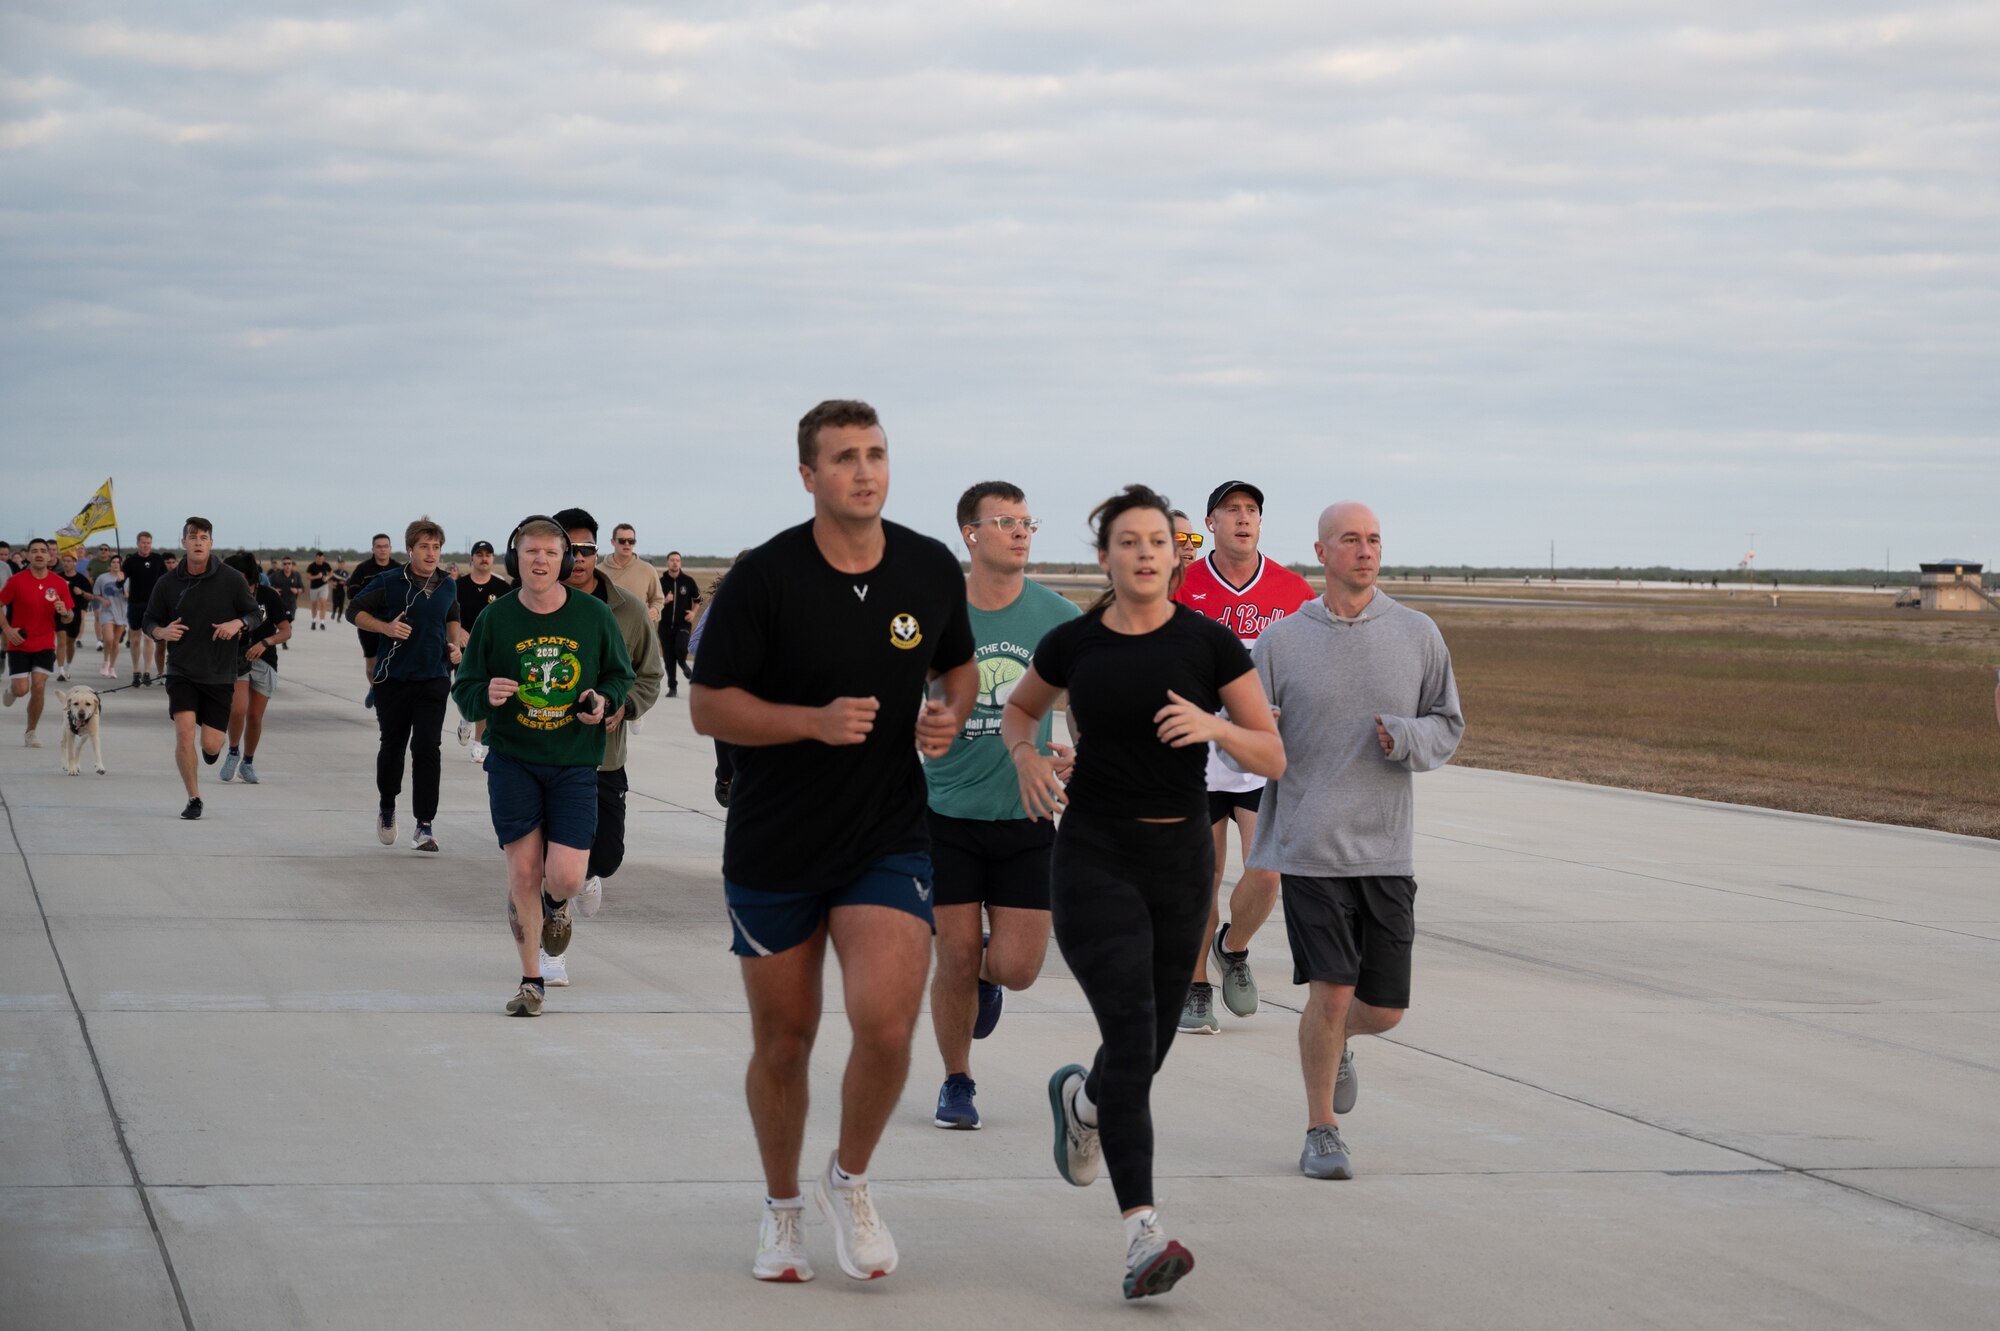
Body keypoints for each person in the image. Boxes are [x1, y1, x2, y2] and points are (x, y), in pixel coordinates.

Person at [690, 399, 975, 1285]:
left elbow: (955, 663)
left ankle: (847, 1178)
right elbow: (708, 705)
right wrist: (810, 721)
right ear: (809, 475)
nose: (865, 470)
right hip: (775, 844)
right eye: (845, 457)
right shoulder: (765, 578)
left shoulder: (928, 566)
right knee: (785, 1037)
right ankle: (781, 1208)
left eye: (877, 454)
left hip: (886, 835)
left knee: (886, 1026)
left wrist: (949, 712)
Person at [1002, 484, 1284, 1300]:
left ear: (1176, 551)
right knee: (1131, 1037)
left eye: (1158, 540)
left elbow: (1271, 756)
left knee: (1148, 1047)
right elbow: (1022, 715)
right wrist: (1025, 756)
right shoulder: (1072, 643)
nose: (1146, 553)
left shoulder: (1210, 645)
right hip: (1093, 855)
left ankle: (1084, 1101)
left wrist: (1218, 728)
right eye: (1129, 542)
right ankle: (1142, 1234)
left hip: (1181, 860)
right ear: (1106, 556)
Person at [1247, 501, 1463, 1180]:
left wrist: (1406, 735)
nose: (1365, 551)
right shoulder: (1280, 640)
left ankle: (1334, 1040)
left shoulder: (1418, 634)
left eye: (1373, 540)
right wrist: (1262, 731)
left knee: (1384, 1008)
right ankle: (1321, 1129)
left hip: (1385, 849)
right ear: (1321, 551)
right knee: (1333, 992)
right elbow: (1242, 736)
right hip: (1308, 845)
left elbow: (1447, 724)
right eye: (1351, 539)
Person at [925, 480, 1079, 1131]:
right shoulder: (934, 615)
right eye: (1005, 521)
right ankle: (957, 1081)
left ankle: (987, 980)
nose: (1021, 532)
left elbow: (1093, 697)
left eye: (1026, 521)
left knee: (1015, 967)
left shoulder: (1058, 616)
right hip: (945, 813)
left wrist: (1077, 755)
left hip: (1025, 813)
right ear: (970, 533)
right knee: (954, 957)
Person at [452, 516, 635, 1016]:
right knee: (523, 873)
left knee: (569, 876)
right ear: (517, 557)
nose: (540, 561)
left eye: (551, 553)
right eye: (531, 552)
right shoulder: (496, 618)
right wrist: (484, 695)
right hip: (513, 761)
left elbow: (620, 677)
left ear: (566, 561)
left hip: (575, 761)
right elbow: (465, 689)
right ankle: (531, 980)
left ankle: (559, 906)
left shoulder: (594, 616)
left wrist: (602, 701)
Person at [1170, 480, 1314, 1035]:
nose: (1243, 518)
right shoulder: (1181, 585)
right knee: (1201, 879)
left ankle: (1232, 948)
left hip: (1260, 756)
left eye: (1252, 510)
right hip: (1196, 757)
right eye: (1232, 510)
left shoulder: (1291, 588)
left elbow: (1311, 665)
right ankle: (1196, 987)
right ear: (1211, 523)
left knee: (1269, 872)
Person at [540, 508, 665, 986]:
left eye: (587, 550)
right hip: (541, 756)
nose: (578, 559)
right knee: (543, 867)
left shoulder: (629, 611)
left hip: (602, 757)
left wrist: (623, 707)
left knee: (606, 856)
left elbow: (649, 676)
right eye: (567, 550)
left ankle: (584, 875)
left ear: (600, 552)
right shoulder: (525, 606)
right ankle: (550, 953)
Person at [347, 518, 461, 851]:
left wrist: (454, 645)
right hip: (393, 680)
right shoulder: (388, 582)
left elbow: (452, 616)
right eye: (424, 547)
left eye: (436, 547)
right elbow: (354, 610)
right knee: (393, 747)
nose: (431, 553)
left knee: (428, 748)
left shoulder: (447, 585)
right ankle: (387, 806)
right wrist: (384, 628)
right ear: (410, 549)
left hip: (434, 678)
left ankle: (424, 826)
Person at [146, 518, 259, 820]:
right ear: (183, 542)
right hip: (181, 671)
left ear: (211, 543)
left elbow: (254, 613)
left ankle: (210, 751)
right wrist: (161, 633)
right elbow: (149, 621)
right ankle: (194, 798)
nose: (198, 542)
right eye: (192, 537)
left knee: (211, 745)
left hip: (219, 673)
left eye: (204, 537)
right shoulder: (167, 583)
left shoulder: (231, 579)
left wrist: (239, 623)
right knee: (184, 733)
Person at [219, 552, 294, 785]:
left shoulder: (268, 596)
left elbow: (285, 630)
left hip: (265, 658)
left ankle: (248, 762)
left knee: (254, 716)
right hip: (237, 658)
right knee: (238, 709)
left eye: (236, 575)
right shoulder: (226, 596)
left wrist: (265, 643)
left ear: (249, 575)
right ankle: (233, 752)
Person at [1, 539, 79, 746]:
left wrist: (65, 613)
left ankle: (31, 732)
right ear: (27, 556)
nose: (39, 554)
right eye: (34, 551)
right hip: (19, 643)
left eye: (43, 551)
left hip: (44, 643)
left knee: (38, 686)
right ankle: (11, 691)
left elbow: (69, 616)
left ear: (50, 556)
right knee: (21, 689)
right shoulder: (17, 581)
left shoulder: (59, 583)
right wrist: (7, 630)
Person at [452, 539, 511, 762]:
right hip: (464, 649)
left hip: (490, 650)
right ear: (472, 559)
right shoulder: (458, 586)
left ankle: (478, 743)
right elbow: (448, 615)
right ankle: (466, 719)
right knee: (465, 693)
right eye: (479, 554)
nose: (484, 558)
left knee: (486, 693)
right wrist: (459, 633)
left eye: (488, 554)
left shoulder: (501, 587)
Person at [348, 534, 402, 708]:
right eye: (379, 546)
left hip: (392, 622)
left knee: (389, 662)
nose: (382, 549)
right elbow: (353, 593)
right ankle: (374, 687)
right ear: (373, 549)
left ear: (390, 548)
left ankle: (386, 695)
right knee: (372, 666)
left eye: (385, 546)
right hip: (369, 622)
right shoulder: (363, 569)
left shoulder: (398, 569)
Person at [123, 532, 169, 688]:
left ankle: (148, 671)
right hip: (135, 603)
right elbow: (121, 580)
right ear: (138, 543)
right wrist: (121, 586)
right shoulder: (130, 561)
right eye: (143, 543)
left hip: (152, 605)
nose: (146, 545)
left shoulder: (157, 559)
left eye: (148, 543)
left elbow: (165, 580)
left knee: (149, 638)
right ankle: (136, 671)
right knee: (135, 639)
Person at [603, 523, 666, 624]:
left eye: (631, 541)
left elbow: (658, 599)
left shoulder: (648, 570)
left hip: (638, 631)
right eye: (622, 540)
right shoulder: (599, 571)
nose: (627, 544)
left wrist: (655, 610)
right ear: (613, 542)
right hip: (607, 629)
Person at [659, 551, 702, 697]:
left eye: (677, 560)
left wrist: (693, 613)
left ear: (680, 563)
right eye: (672, 560)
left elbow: (698, 599)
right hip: (664, 626)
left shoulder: (688, 581)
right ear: (667, 562)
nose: (675, 563)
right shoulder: (660, 582)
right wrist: (665, 600)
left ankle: (683, 664)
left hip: (683, 624)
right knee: (669, 658)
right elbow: (653, 601)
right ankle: (672, 687)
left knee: (681, 647)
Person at [56, 551, 94, 681]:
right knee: (61, 640)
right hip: (60, 613)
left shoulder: (81, 579)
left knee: (70, 642)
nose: (66, 563)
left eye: (69, 561)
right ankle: (60, 670)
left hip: (75, 614)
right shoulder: (58, 578)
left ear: (74, 563)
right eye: (64, 561)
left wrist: (81, 592)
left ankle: (67, 667)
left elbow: (91, 596)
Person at [92, 555, 127, 678]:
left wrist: (125, 589)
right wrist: (102, 600)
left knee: (116, 643)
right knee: (108, 639)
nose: (116, 564)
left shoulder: (126, 578)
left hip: (122, 612)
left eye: (118, 562)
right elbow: (96, 594)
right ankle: (105, 662)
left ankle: (112, 667)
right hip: (107, 612)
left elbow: (129, 595)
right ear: (110, 564)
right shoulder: (102, 578)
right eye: (113, 562)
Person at [272, 557, 304, 647]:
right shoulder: (276, 575)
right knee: (277, 623)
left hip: (291, 603)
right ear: (282, 565)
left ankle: (284, 639)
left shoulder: (296, 575)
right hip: (279, 603)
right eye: (285, 564)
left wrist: (297, 590)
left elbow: (302, 588)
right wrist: (274, 589)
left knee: (288, 623)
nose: (287, 566)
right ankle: (278, 641)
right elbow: (266, 585)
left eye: (289, 563)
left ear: (291, 564)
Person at [305, 552, 333, 629]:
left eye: (321, 558)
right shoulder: (312, 566)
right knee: (314, 605)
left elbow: (331, 573)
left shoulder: (326, 565)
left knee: (323, 603)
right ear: (316, 558)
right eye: (318, 558)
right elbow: (308, 577)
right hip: (314, 588)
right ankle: (314, 621)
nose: (320, 560)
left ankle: (322, 622)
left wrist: (327, 577)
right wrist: (317, 576)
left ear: (323, 558)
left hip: (324, 586)